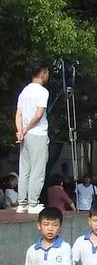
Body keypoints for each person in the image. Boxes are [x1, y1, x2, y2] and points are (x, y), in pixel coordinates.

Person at [14, 64, 50, 214]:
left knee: (25, 169)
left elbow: (18, 114)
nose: (48, 75)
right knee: (38, 169)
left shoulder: (24, 91)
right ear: (42, 73)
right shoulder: (42, 91)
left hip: (25, 135)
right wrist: (27, 128)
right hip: (38, 133)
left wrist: (20, 131)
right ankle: (33, 203)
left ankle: (22, 203)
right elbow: (39, 114)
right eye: (47, 72)